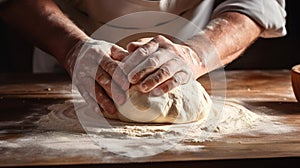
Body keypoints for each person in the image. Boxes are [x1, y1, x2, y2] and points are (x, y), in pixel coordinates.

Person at [0, 0, 286, 118]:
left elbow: (259, 3)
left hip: (194, 63)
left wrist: (196, 54)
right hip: (65, 54)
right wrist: (73, 49)